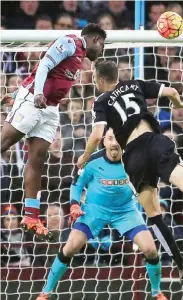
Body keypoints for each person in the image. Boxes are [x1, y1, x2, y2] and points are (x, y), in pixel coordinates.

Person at [78, 60, 183, 274]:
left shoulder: (100, 101)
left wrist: (84, 157)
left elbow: (95, 135)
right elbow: (171, 91)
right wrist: (178, 104)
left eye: (94, 79)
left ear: (101, 80)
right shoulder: (135, 84)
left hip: (132, 157)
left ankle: (180, 263)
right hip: (154, 141)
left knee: (154, 215)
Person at [31, 129, 173, 300]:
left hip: (125, 211)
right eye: (110, 139)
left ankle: (157, 293)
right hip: (94, 210)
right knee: (71, 246)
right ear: (104, 141)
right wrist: (74, 204)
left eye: (118, 139)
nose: (114, 143)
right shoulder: (92, 161)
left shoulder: (135, 160)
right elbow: (77, 184)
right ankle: (44, 294)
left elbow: (147, 184)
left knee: (151, 249)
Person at [1, 24, 106, 241]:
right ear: (95, 39)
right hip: (34, 100)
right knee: (3, 143)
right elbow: (43, 66)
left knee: (37, 159)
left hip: (51, 108)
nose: (102, 50)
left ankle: (31, 216)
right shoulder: (69, 42)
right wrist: (36, 93)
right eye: (102, 44)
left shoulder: (79, 57)